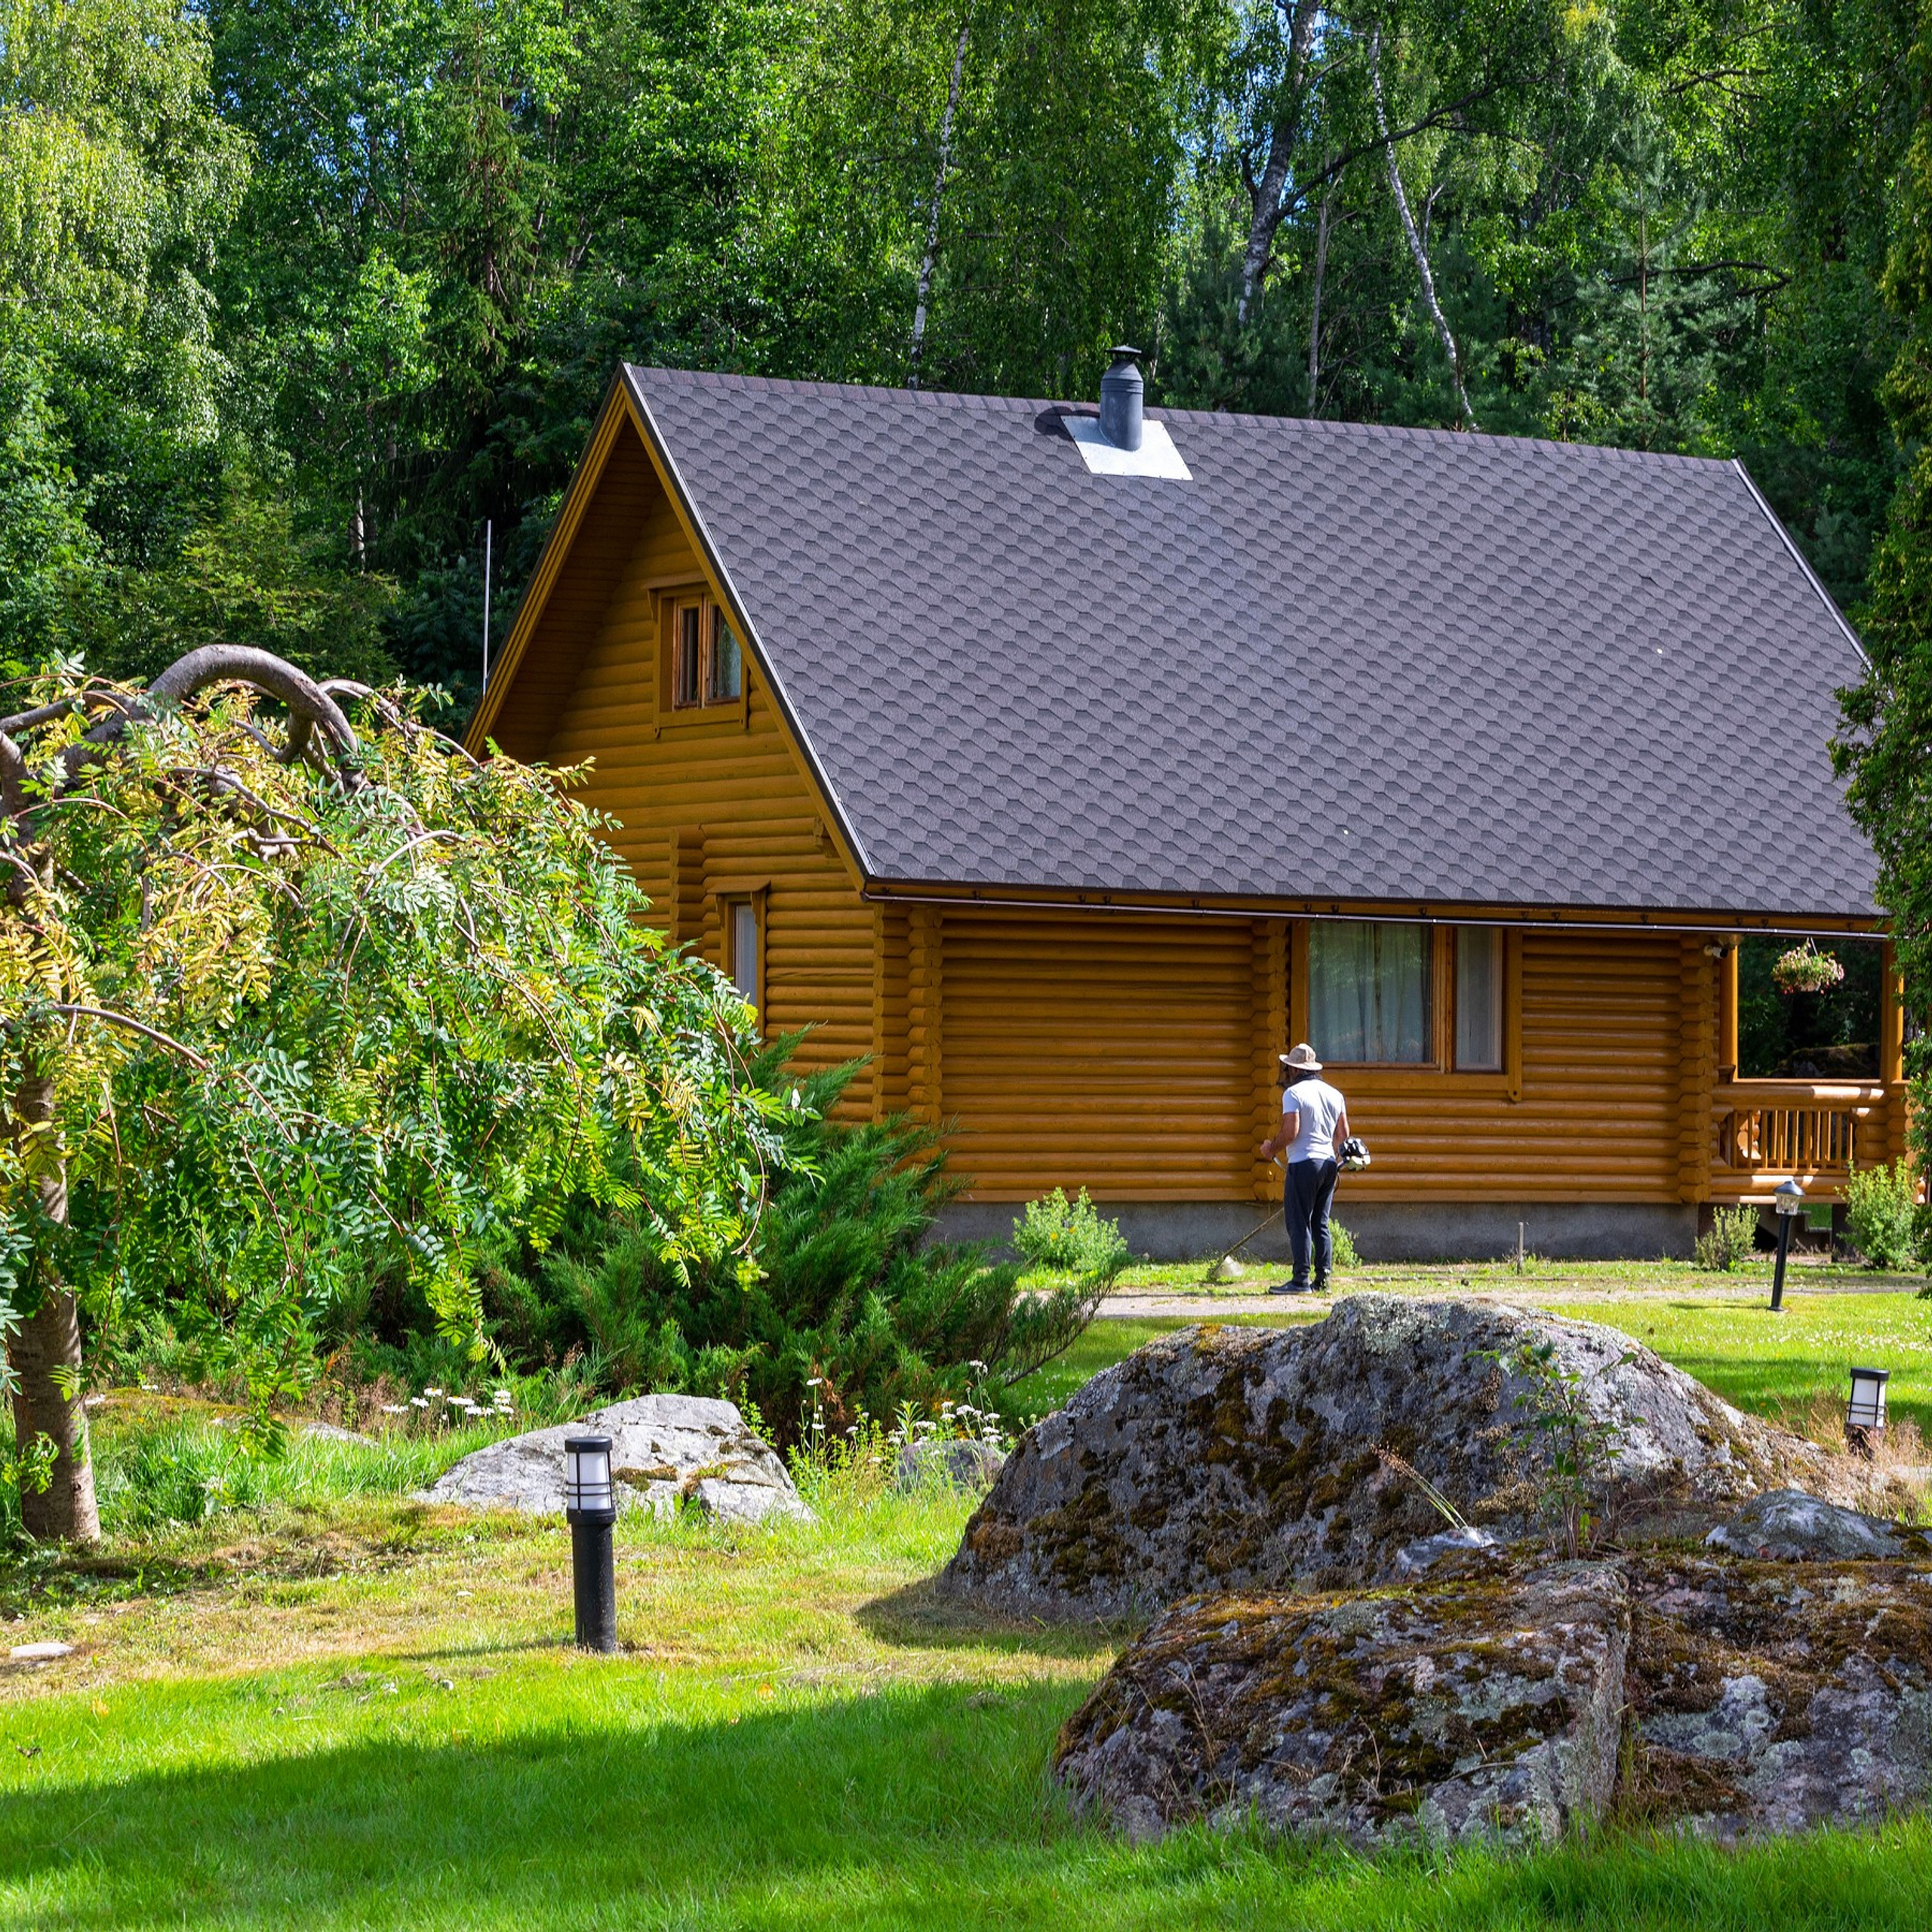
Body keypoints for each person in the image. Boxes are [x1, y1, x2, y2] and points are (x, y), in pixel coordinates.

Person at [1258, 1042, 1352, 1294]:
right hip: (1329, 1164)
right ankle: (1323, 1280)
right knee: (1320, 1222)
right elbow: (1343, 1135)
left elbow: (1291, 1132)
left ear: (1296, 1070)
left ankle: (1300, 1280)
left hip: (1303, 1163)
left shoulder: (1293, 1093)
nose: (1286, 1073)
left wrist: (1270, 1149)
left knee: (1299, 1222)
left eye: (1288, 1068)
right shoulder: (1335, 1094)